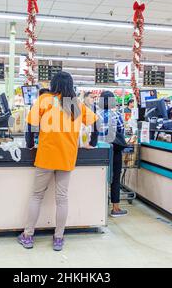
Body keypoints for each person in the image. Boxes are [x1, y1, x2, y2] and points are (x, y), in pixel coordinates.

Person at [19, 71, 97, 251]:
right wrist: (92, 143)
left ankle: (28, 235)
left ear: (53, 85)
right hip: (67, 156)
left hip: (46, 156)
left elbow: (30, 125)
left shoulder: (45, 100)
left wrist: (30, 144)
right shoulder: (76, 104)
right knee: (62, 199)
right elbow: (95, 123)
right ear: (70, 85)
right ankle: (59, 238)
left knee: (37, 196)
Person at [90, 91, 128, 217]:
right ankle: (115, 208)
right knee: (115, 179)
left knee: (97, 179)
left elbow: (91, 132)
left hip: (99, 150)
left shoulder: (95, 115)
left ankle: (96, 207)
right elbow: (121, 132)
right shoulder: (116, 115)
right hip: (114, 150)